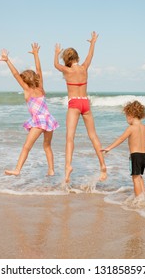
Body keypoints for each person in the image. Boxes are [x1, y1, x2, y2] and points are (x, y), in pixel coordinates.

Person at [54, 31, 107, 184]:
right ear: (77, 57)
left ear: (67, 59)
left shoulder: (67, 70)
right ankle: (102, 165)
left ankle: (68, 167)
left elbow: (55, 65)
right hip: (86, 103)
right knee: (93, 136)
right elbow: (90, 56)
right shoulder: (84, 68)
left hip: (74, 104)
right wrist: (92, 43)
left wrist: (56, 53)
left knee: (70, 137)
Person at [0, 43, 59, 176]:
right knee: (47, 146)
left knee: (27, 147)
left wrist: (7, 60)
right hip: (48, 120)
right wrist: (36, 55)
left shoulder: (27, 90)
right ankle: (51, 170)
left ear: (24, 81)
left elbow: (15, 74)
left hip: (38, 122)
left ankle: (17, 170)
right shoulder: (41, 88)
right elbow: (39, 70)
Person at [101, 100, 145, 196]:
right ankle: (144, 194)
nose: (126, 119)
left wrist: (109, 148)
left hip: (136, 155)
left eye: (126, 116)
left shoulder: (131, 128)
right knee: (139, 176)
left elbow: (121, 139)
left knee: (135, 179)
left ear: (130, 115)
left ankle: (138, 199)